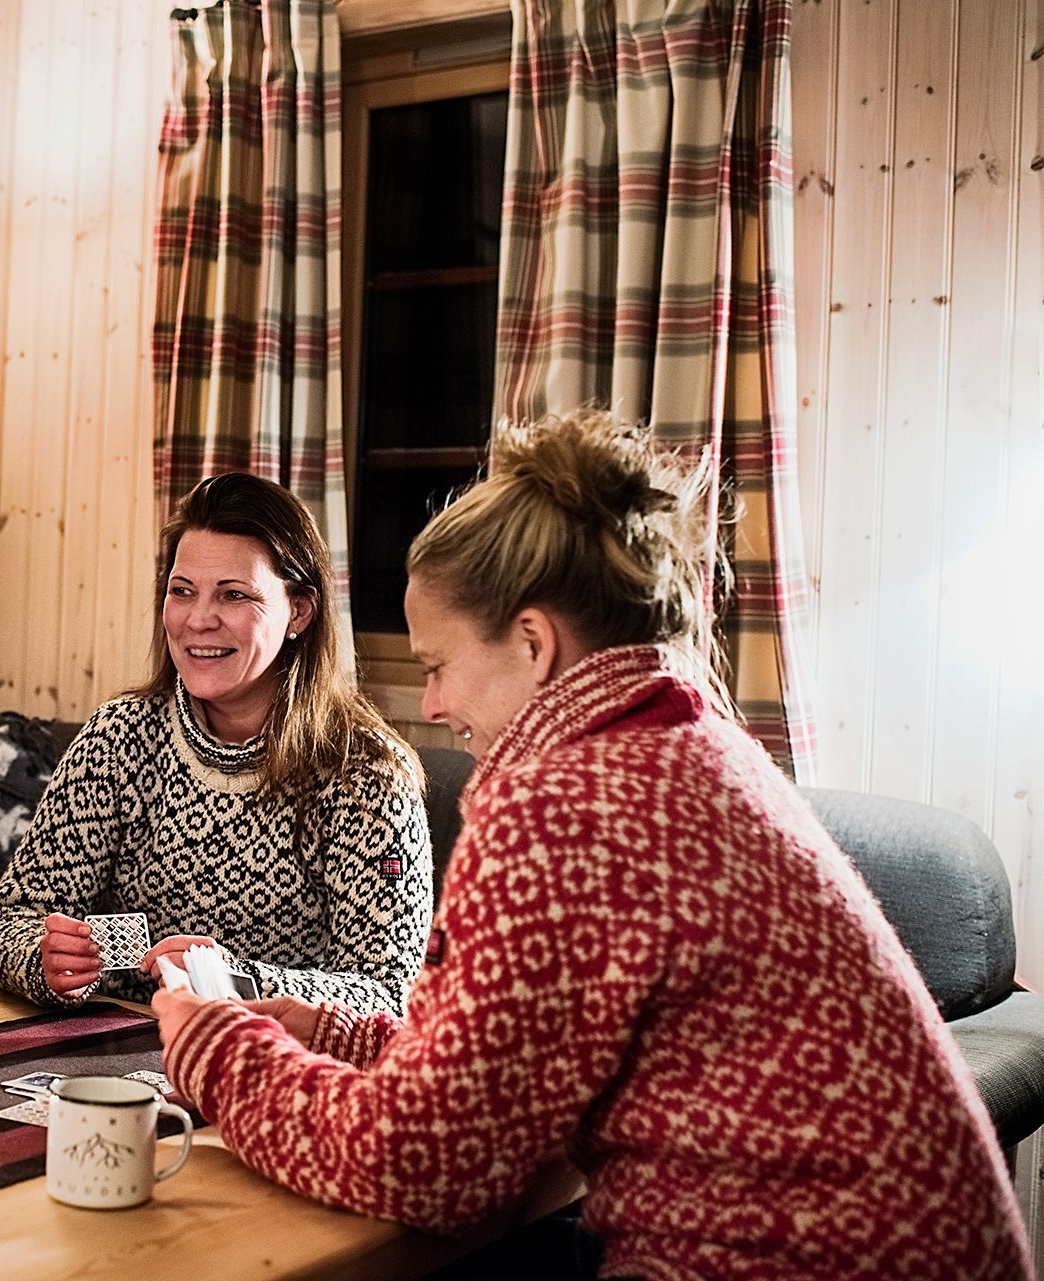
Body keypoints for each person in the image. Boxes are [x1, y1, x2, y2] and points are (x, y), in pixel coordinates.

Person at [154, 410, 1027, 1279]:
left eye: (437, 665)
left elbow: (423, 1166)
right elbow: (515, 1060)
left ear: (534, 644)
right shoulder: (696, 747)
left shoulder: (563, 805)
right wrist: (338, 1036)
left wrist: (216, 1047)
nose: (433, 705)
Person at [0, 473, 433, 1014]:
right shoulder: (118, 738)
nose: (197, 620)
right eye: (182, 591)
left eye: (234, 595)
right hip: (112, 1056)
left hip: (270, 1059)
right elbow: (6, 922)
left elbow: (388, 997)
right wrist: (43, 960)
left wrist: (232, 983)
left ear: (299, 611)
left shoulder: (366, 776)